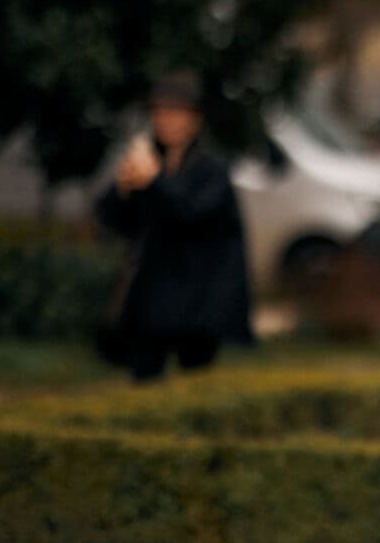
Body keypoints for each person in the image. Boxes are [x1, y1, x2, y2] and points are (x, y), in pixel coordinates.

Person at [92, 69, 257, 381]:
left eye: (173, 112)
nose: (164, 120)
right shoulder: (148, 158)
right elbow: (114, 218)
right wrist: (124, 187)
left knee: (193, 381)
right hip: (154, 296)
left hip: (198, 299)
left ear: (193, 119)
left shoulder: (211, 169)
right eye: (159, 112)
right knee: (144, 378)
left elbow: (192, 214)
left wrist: (153, 180)